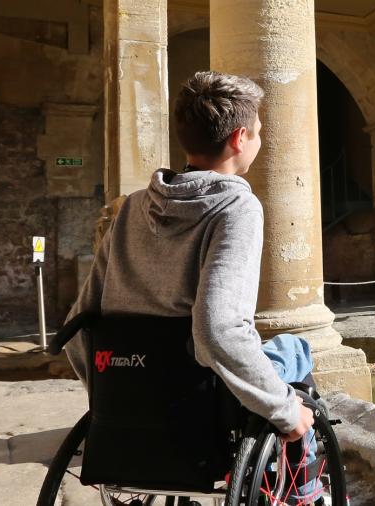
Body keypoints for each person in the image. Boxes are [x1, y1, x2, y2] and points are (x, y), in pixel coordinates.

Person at [64, 71, 319, 463]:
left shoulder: (132, 207)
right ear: (239, 138)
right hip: (200, 397)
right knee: (295, 349)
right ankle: (303, 483)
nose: (259, 140)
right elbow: (218, 330)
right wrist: (286, 410)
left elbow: (79, 322)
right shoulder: (236, 207)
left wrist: (108, 399)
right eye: (258, 132)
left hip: (131, 391)